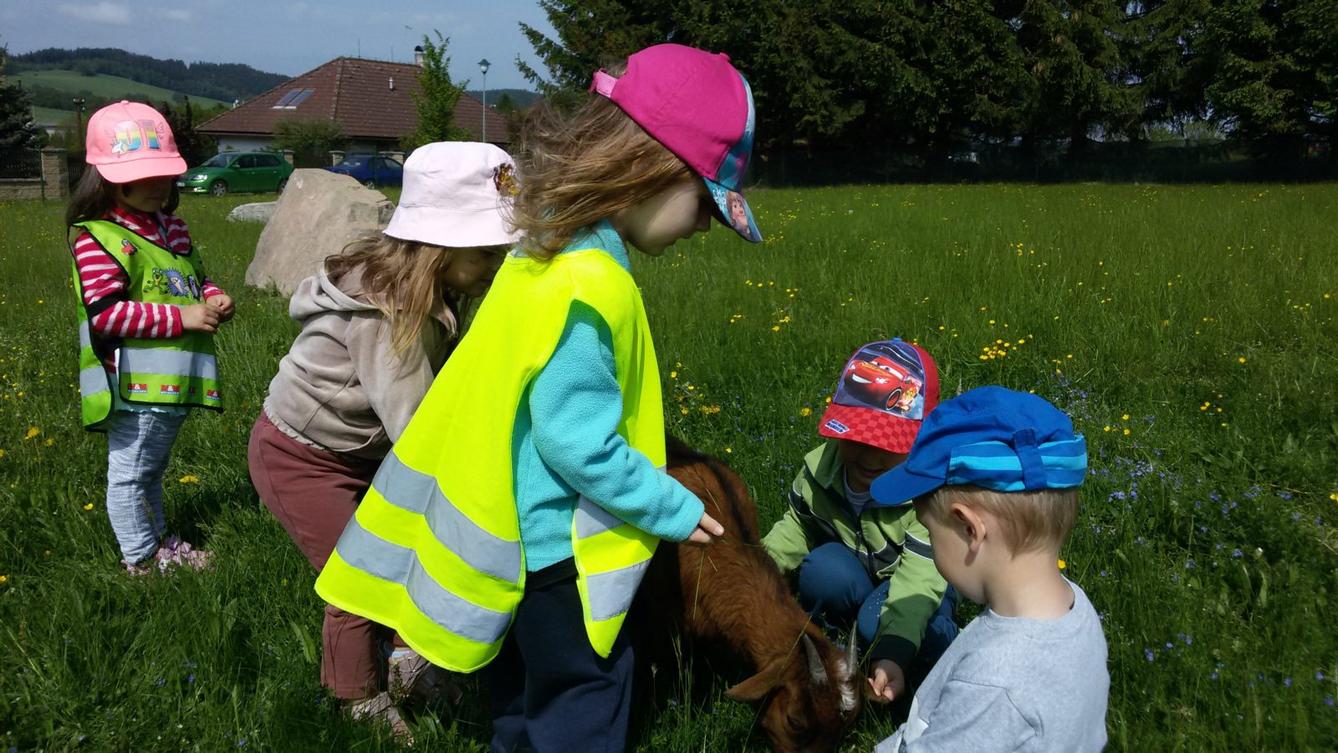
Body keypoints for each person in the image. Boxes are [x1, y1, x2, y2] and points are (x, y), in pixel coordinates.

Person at [315, 43, 761, 752]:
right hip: (563, 561)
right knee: (583, 701)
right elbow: (575, 442)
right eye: (705, 203)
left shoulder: (541, 254)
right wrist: (673, 505)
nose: (704, 225)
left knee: (520, 700)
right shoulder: (596, 286)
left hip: (511, 547)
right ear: (651, 170)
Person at [247, 142, 518, 737]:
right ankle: (356, 698)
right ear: (439, 244)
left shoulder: (435, 289)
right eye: (489, 250)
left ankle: (406, 660)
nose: (499, 262)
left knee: (409, 554)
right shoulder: (386, 315)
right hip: (302, 457)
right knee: (361, 573)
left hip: (362, 453)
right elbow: (417, 428)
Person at [870, 386, 1109, 752]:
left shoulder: (993, 690)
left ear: (970, 529)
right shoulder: (1077, 607)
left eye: (930, 530)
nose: (932, 546)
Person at [66, 100, 232, 574]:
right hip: (133, 385)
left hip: (172, 382)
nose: (160, 185)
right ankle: (141, 558)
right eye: (145, 175)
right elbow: (106, 315)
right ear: (106, 177)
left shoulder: (172, 228)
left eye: (166, 174)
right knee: (131, 474)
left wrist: (216, 298)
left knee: (149, 470)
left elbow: (195, 280)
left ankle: (159, 544)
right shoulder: (97, 237)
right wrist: (185, 319)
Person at [763, 338, 957, 705]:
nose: (868, 456)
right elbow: (797, 527)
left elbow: (920, 573)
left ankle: (935, 641)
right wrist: (759, 568)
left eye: (886, 443)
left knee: (883, 626)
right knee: (821, 572)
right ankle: (866, 625)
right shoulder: (821, 472)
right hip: (861, 571)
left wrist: (894, 649)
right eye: (855, 438)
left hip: (924, 581)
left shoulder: (926, 495)